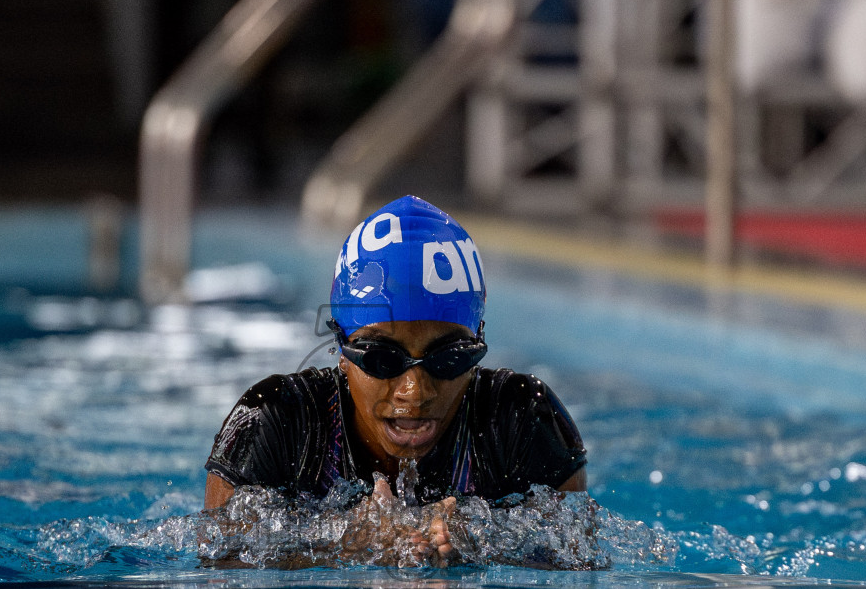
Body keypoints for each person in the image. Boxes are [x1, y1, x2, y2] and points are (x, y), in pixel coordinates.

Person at [203, 195, 586, 566]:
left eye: (448, 358)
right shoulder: (276, 421)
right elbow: (218, 565)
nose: (415, 391)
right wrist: (340, 548)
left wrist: (481, 546)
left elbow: (578, 562)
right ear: (342, 349)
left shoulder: (522, 419)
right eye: (383, 358)